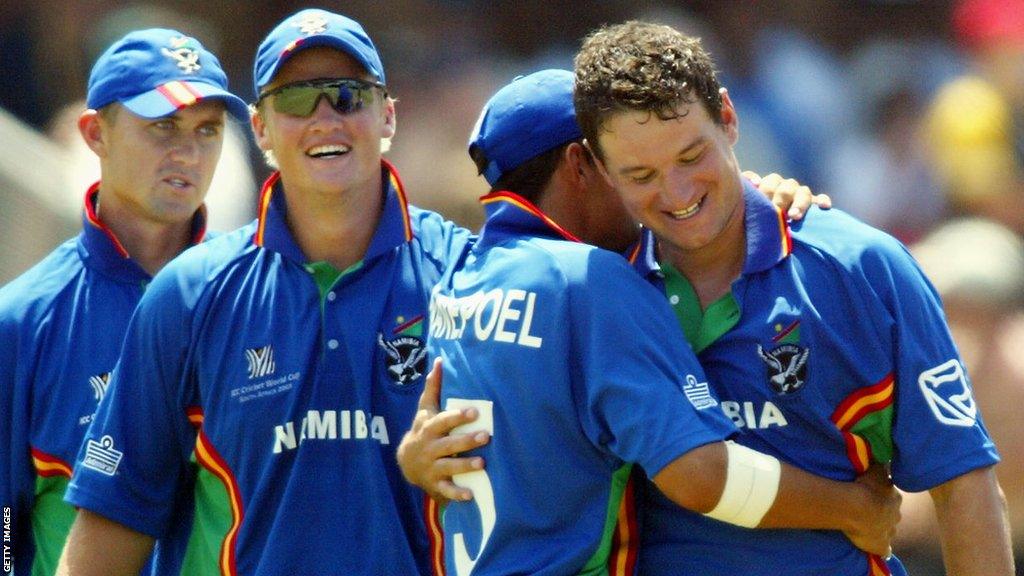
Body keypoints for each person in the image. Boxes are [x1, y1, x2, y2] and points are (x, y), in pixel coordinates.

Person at [403, 69, 899, 576]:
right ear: (580, 163)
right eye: (626, 164)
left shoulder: (457, 281)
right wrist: (856, 508)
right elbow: (699, 478)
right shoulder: (589, 279)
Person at [572, 21, 1012, 576]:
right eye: (641, 175)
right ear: (599, 169)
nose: (678, 193)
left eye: (691, 157)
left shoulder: (863, 270)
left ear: (728, 118)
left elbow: (966, 484)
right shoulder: (595, 291)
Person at [56, 9, 471, 575]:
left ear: (387, 115)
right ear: (259, 129)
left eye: (347, 95)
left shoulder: (466, 276)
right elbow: (114, 521)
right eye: (297, 99)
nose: (325, 118)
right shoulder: (189, 294)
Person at [0, 28, 248, 576]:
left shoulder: (254, 299)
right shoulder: (21, 320)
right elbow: (3, 527)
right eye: (163, 126)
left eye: (207, 130)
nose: (188, 152)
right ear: (95, 133)